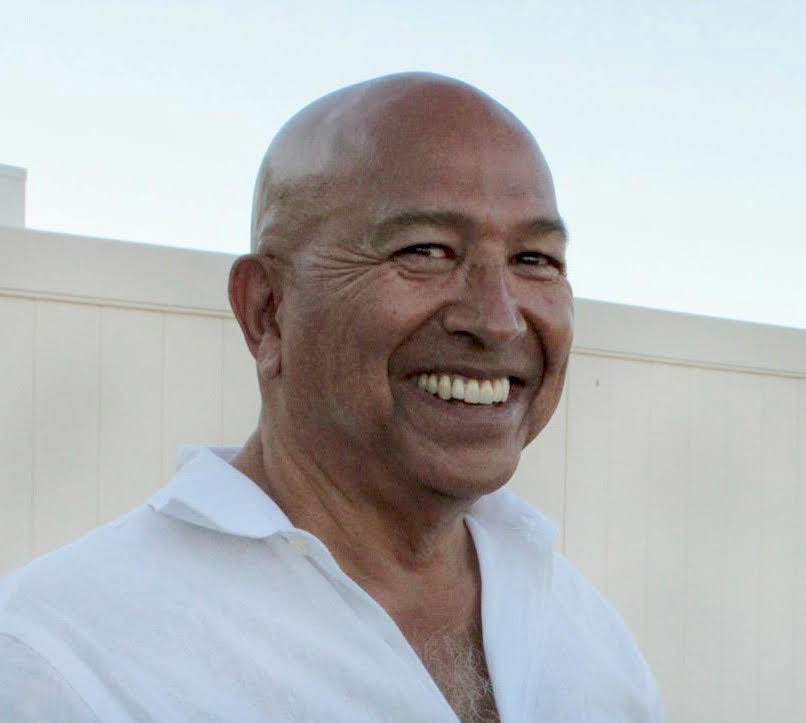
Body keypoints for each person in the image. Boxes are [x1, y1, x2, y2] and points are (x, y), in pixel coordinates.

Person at [0, 73, 662, 722]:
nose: (499, 320)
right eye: (426, 250)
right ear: (267, 311)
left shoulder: (587, 637)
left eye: (535, 259)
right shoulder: (61, 662)